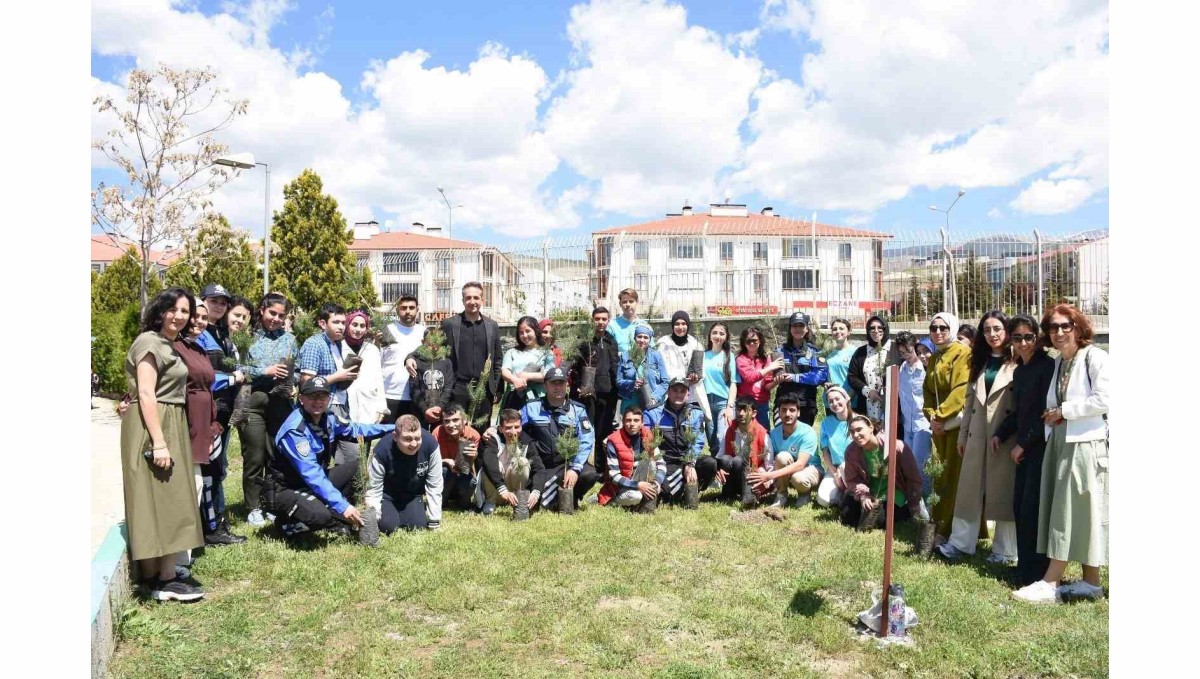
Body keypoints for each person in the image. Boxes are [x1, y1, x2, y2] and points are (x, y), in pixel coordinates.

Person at [1013, 305, 1109, 604]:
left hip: (1084, 443)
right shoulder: (1059, 363)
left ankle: (1051, 581)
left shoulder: (1096, 357)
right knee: (1077, 510)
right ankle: (1091, 582)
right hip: (1061, 441)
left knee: (1069, 510)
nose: (1059, 332)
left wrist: (1064, 411)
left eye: (1066, 326)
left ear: (1078, 327)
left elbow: (1105, 399)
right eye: (1053, 328)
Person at [121, 288, 205, 601]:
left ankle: (162, 574)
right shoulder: (148, 342)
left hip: (171, 421)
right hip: (154, 425)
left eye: (185, 311)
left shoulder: (168, 344)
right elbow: (145, 393)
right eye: (174, 309)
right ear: (160, 310)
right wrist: (158, 441)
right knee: (157, 496)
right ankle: (159, 579)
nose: (180, 316)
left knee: (170, 496)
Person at [938, 311, 1019, 564]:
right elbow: (969, 401)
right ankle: (961, 543)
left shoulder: (1018, 361)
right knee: (969, 489)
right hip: (976, 434)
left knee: (1004, 490)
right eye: (986, 330)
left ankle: (1005, 551)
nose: (992, 334)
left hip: (1005, 435)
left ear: (1006, 331)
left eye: (997, 329)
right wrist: (963, 435)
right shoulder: (979, 360)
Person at [266, 377, 394, 536]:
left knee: (356, 467)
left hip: (310, 484)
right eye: (312, 396)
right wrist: (343, 507)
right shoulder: (295, 431)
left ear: (329, 398)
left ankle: (335, 516)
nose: (317, 401)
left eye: (322, 396)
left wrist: (392, 429)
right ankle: (285, 526)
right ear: (301, 399)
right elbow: (313, 475)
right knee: (320, 516)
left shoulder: (329, 419)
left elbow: (356, 430)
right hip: (286, 488)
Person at [175, 300, 244, 548]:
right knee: (199, 476)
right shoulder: (176, 347)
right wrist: (231, 378)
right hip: (188, 421)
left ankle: (212, 527)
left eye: (203, 318)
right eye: (195, 315)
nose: (199, 321)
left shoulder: (200, 347)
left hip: (210, 420)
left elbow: (207, 383)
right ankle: (201, 531)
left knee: (212, 473)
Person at [995, 314, 1054, 588]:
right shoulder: (1020, 370)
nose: (1022, 343)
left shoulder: (1047, 367)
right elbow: (1021, 411)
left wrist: (1023, 444)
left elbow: (1044, 413)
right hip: (1025, 447)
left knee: (1033, 510)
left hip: (1042, 447)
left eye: (1028, 337)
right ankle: (1025, 568)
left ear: (1038, 338)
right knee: (1021, 507)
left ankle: (1036, 574)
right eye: (1017, 337)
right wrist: (1001, 433)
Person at [238, 292, 298, 527]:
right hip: (253, 402)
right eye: (272, 313)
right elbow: (238, 369)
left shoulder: (290, 340)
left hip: (281, 404)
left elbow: (299, 367)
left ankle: (272, 503)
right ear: (262, 310)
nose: (276, 319)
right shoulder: (247, 338)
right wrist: (266, 371)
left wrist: (295, 383)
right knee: (255, 455)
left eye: (281, 315)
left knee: (275, 455)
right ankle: (253, 507)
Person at [199, 290, 253, 544]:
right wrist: (232, 378)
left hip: (222, 413)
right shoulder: (199, 335)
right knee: (210, 471)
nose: (219, 306)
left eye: (223, 302)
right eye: (214, 302)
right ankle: (212, 528)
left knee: (217, 469)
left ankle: (216, 522)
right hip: (207, 414)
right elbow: (202, 377)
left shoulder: (222, 336)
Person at [923, 311, 972, 543]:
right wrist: (931, 415)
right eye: (934, 328)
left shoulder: (962, 353)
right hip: (939, 425)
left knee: (953, 476)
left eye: (943, 328)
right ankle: (938, 524)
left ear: (952, 328)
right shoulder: (935, 356)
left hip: (955, 424)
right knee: (939, 476)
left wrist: (941, 416)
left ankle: (948, 529)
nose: (938, 332)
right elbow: (927, 390)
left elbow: (961, 388)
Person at [522, 367, 600, 511]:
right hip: (540, 466)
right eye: (553, 383)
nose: (558, 387)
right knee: (536, 504)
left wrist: (575, 468)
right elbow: (513, 426)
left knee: (589, 474)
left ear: (567, 386)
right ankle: (555, 498)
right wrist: (494, 430)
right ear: (545, 386)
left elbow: (586, 439)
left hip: (566, 464)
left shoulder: (578, 410)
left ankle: (572, 497)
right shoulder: (531, 407)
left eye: (561, 383)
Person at [298, 302, 362, 466]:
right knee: (321, 458)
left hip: (340, 405)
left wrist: (347, 377)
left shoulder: (338, 344)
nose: (341, 327)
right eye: (336, 322)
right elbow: (306, 383)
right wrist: (337, 376)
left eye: (343, 322)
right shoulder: (314, 344)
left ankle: (342, 490)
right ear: (322, 323)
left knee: (351, 457)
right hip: (321, 407)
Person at [840, 414, 929, 531]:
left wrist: (914, 502)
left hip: (894, 492)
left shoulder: (897, 446)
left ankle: (904, 510)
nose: (856, 435)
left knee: (879, 520)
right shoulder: (851, 451)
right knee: (847, 516)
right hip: (870, 491)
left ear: (871, 428)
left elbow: (912, 477)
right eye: (852, 432)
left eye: (859, 430)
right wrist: (863, 495)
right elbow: (853, 479)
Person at [440, 282, 503, 429]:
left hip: (484, 390)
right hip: (457, 388)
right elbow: (435, 350)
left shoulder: (491, 326)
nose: (472, 301)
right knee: (456, 431)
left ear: (482, 300)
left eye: (476, 297)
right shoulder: (450, 324)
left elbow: (497, 359)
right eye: (468, 298)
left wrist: (498, 389)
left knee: (482, 433)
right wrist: (410, 357)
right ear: (463, 300)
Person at [365, 414, 444, 533]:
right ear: (395, 436)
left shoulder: (431, 445)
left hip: (412, 494)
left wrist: (434, 520)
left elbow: (435, 484)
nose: (414, 444)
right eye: (407, 439)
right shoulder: (382, 450)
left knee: (417, 526)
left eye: (417, 438)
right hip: (387, 495)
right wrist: (373, 517)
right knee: (388, 527)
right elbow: (373, 488)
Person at [643, 378, 716, 504]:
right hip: (665, 462)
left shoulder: (696, 414)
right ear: (668, 392)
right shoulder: (653, 413)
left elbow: (697, 442)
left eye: (682, 391)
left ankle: (691, 490)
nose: (678, 394)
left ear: (688, 394)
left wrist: (690, 462)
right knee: (667, 495)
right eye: (675, 390)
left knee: (710, 463)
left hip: (686, 460)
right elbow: (646, 442)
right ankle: (679, 492)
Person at [570, 307, 621, 480]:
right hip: (587, 393)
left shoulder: (611, 341)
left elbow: (615, 367)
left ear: (608, 321)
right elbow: (576, 367)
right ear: (592, 320)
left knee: (603, 431)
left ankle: (601, 469)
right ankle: (580, 466)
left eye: (604, 319)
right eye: (597, 319)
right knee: (584, 429)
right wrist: (578, 385)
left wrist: (618, 389)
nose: (600, 322)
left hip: (608, 393)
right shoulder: (585, 341)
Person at [748, 393, 821, 508]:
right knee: (782, 457)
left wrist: (769, 476)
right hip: (788, 470)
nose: (787, 414)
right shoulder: (773, 434)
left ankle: (804, 494)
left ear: (798, 412)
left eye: (792, 410)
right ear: (778, 413)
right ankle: (781, 494)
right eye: (784, 410)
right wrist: (762, 471)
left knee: (798, 478)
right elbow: (770, 460)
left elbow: (800, 465)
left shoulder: (808, 432)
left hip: (810, 468)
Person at [478, 409, 544, 515]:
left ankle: (518, 499)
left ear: (521, 426)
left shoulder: (527, 442)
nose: (513, 432)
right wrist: (502, 489)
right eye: (508, 428)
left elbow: (539, 468)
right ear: (500, 429)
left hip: (514, 488)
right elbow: (488, 460)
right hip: (498, 488)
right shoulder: (493, 439)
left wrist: (536, 491)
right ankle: (491, 501)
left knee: (522, 461)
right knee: (493, 464)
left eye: (517, 427)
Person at [598, 406, 666, 508]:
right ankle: (611, 502)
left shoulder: (648, 435)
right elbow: (614, 476)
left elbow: (661, 464)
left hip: (641, 479)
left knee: (651, 463)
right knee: (636, 496)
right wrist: (638, 485)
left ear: (642, 423)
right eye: (628, 420)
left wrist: (657, 482)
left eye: (636, 420)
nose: (632, 424)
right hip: (620, 487)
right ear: (623, 422)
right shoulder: (613, 441)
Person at [654, 310, 712, 423]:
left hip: (691, 394)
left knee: (691, 426)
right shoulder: (663, 345)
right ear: (672, 326)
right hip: (671, 392)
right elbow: (660, 370)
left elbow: (701, 370)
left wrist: (696, 378)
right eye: (677, 324)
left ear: (688, 325)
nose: (680, 327)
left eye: (683, 324)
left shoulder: (696, 345)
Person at [774, 312, 830, 426]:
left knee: (803, 439)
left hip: (806, 404)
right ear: (790, 328)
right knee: (782, 438)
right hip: (783, 402)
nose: (798, 329)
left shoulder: (815, 351)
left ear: (806, 329)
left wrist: (795, 377)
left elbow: (820, 376)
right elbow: (771, 373)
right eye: (794, 325)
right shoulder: (780, 351)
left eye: (801, 325)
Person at [895, 333, 934, 494]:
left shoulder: (925, 368)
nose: (906, 356)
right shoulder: (902, 368)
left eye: (909, 352)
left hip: (923, 424)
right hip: (907, 424)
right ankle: (914, 502)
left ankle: (925, 503)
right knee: (909, 465)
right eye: (902, 353)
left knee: (921, 465)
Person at [719, 397, 775, 505]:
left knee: (738, 460)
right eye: (739, 409)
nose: (741, 413)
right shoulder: (731, 430)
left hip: (753, 477)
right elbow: (722, 454)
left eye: (746, 410)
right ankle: (727, 495)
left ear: (754, 413)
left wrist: (767, 480)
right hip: (735, 475)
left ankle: (748, 497)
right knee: (726, 459)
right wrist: (719, 468)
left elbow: (769, 464)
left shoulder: (763, 434)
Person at [380, 295, 426, 421]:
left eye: (411, 307)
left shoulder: (424, 332)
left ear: (417, 310)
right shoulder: (386, 331)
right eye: (403, 308)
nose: (407, 311)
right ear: (397, 311)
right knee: (389, 436)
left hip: (416, 397)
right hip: (389, 394)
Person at [432, 403, 482, 510]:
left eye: (455, 420)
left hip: (463, 474)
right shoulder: (437, 433)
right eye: (447, 421)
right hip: (445, 475)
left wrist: (473, 457)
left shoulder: (473, 435)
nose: (451, 425)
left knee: (471, 481)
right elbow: (431, 460)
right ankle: (441, 503)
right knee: (444, 471)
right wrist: (446, 461)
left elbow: (470, 465)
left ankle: (463, 504)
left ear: (464, 420)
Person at [344, 309, 389, 425]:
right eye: (354, 325)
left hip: (369, 405)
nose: (358, 329)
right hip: (345, 405)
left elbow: (379, 379)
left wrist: (381, 407)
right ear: (347, 325)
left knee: (365, 440)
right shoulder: (338, 347)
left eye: (362, 326)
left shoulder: (372, 349)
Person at [735, 325, 785, 429]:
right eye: (748, 341)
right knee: (745, 434)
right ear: (744, 343)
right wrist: (770, 368)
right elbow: (750, 378)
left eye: (754, 340)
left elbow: (767, 386)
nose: (752, 343)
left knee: (764, 434)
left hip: (762, 403)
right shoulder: (741, 359)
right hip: (746, 403)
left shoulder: (765, 359)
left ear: (760, 341)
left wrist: (776, 381)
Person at [702, 322, 740, 459]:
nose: (718, 336)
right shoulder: (702, 356)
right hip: (706, 402)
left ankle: (726, 468)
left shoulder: (729, 357)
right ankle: (716, 472)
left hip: (723, 402)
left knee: (722, 437)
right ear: (710, 336)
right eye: (715, 333)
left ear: (726, 337)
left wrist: (730, 406)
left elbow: (733, 383)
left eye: (721, 333)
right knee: (712, 440)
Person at [501, 316, 554, 411]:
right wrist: (514, 380)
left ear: (536, 331)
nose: (524, 335)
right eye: (521, 332)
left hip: (538, 399)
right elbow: (505, 371)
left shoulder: (546, 352)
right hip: (515, 398)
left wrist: (528, 376)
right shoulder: (512, 352)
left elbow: (550, 374)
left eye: (528, 331)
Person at [407, 326, 454, 429]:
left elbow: (448, 388)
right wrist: (425, 409)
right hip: (420, 412)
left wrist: (440, 407)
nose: (433, 346)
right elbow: (414, 389)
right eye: (429, 342)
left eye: (437, 342)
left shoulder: (446, 362)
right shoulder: (417, 362)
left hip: (440, 413)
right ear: (423, 341)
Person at [848, 314, 892, 421]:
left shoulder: (895, 349)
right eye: (872, 328)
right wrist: (868, 391)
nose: (876, 331)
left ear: (885, 329)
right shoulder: (861, 352)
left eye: (880, 327)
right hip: (867, 403)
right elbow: (852, 376)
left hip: (890, 404)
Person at [616, 323, 668, 412]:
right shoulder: (625, 356)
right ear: (634, 338)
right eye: (639, 336)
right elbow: (618, 381)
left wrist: (655, 397)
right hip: (630, 402)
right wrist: (632, 383)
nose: (642, 340)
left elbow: (665, 382)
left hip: (651, 401)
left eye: (646, 337)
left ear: (650, 339)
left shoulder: (656, 356)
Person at [815, 385, 853, 509]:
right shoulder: (826, 423)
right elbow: (825, 450)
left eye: (837, 399)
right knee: (823, 499)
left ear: (846, 399)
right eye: (831, 401)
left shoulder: (858, 420)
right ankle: (842, 495)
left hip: (854, 468)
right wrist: (833, 471)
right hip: (835, 468)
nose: (835, 403)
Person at [824, 318, 856, 394]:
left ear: (849, 332)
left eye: (841, 328)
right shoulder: (829, 354)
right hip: (831, 400)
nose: (838, 331)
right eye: (835, 329)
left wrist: (848, 398)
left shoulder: (855, 353)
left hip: (849, 401)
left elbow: (859, 379)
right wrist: (825, 383)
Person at [606, 288, 641, 353]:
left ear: (637, 302)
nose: (628, 304)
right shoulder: (612, 326)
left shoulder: (643, 325)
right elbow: (607, 351)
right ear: (620, 304)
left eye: (631, 301)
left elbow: (650, 350)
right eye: (624, 302)